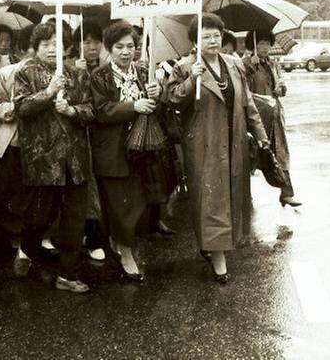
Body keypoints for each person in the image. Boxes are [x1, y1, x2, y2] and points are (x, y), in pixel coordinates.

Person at [166, 14, 269, 284]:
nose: (212, 40)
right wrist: (191, 80)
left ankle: (216, 245)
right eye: (206, 36)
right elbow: (172, 99)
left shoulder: (234, 64)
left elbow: (246, 102)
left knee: (232, 195)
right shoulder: (185, 66)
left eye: (216, 35)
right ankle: (217, 254)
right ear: (195, 40)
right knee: (211, 199)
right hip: (203, 143)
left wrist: (260, 134)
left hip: (233, 139)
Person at [14, 23, 94, 293]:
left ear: (66, 48)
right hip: (43, 160)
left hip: (75, 160)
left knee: (74, 218)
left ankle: (68, 274)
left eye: (56, 44)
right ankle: (27, 250)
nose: (51, 49)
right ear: (36, 48)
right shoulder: (25, 72)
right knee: (38, 217)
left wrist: (72, 111)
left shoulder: (77, 74)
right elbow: (21, 108)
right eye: (45, 44)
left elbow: (89, 109)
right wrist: (48, 93)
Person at [90, 21, 167, 282]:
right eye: (119, 47)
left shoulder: (145, 70)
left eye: (130, 46)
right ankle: (125, 253)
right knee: (120, 205)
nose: (126, 52)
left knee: (138, 203)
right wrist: (134, 106)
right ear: (109, 49)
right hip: (112, 150)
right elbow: (101, 110)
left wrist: (158, 92)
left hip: (142, 148)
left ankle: (121, 243)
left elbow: (157, 106)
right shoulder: (99, 76)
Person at [0, 27, 34, 272]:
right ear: (20, 50)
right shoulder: (6, 73)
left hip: (38, 145)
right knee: (9, 193)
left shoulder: (51, 73)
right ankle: (13, 241)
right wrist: (13, 107)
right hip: (11, 142)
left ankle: (27, 246)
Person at [243, 30, 302, 207]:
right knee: (251, 156)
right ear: (253, 45)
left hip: (275, 116)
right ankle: (245, 195)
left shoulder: (273, 64)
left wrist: (281, 89)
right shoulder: (244, 64)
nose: (265, 48)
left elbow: (281, 86)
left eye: (268, 44)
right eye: (261, 44)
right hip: (256, 118)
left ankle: (286, 193)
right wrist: (250, 68)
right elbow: (242, 89)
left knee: (281, 152)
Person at [68, 21, 106, 261]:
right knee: (85, 187)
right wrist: (76, 74)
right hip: (79, 134)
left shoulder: (106, 67)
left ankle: (98, 236)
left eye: (96, 41)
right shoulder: (67, 68)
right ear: (76, 44)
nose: (91, 46)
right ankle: (87, 237)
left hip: (103, 135)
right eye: (86, 41)